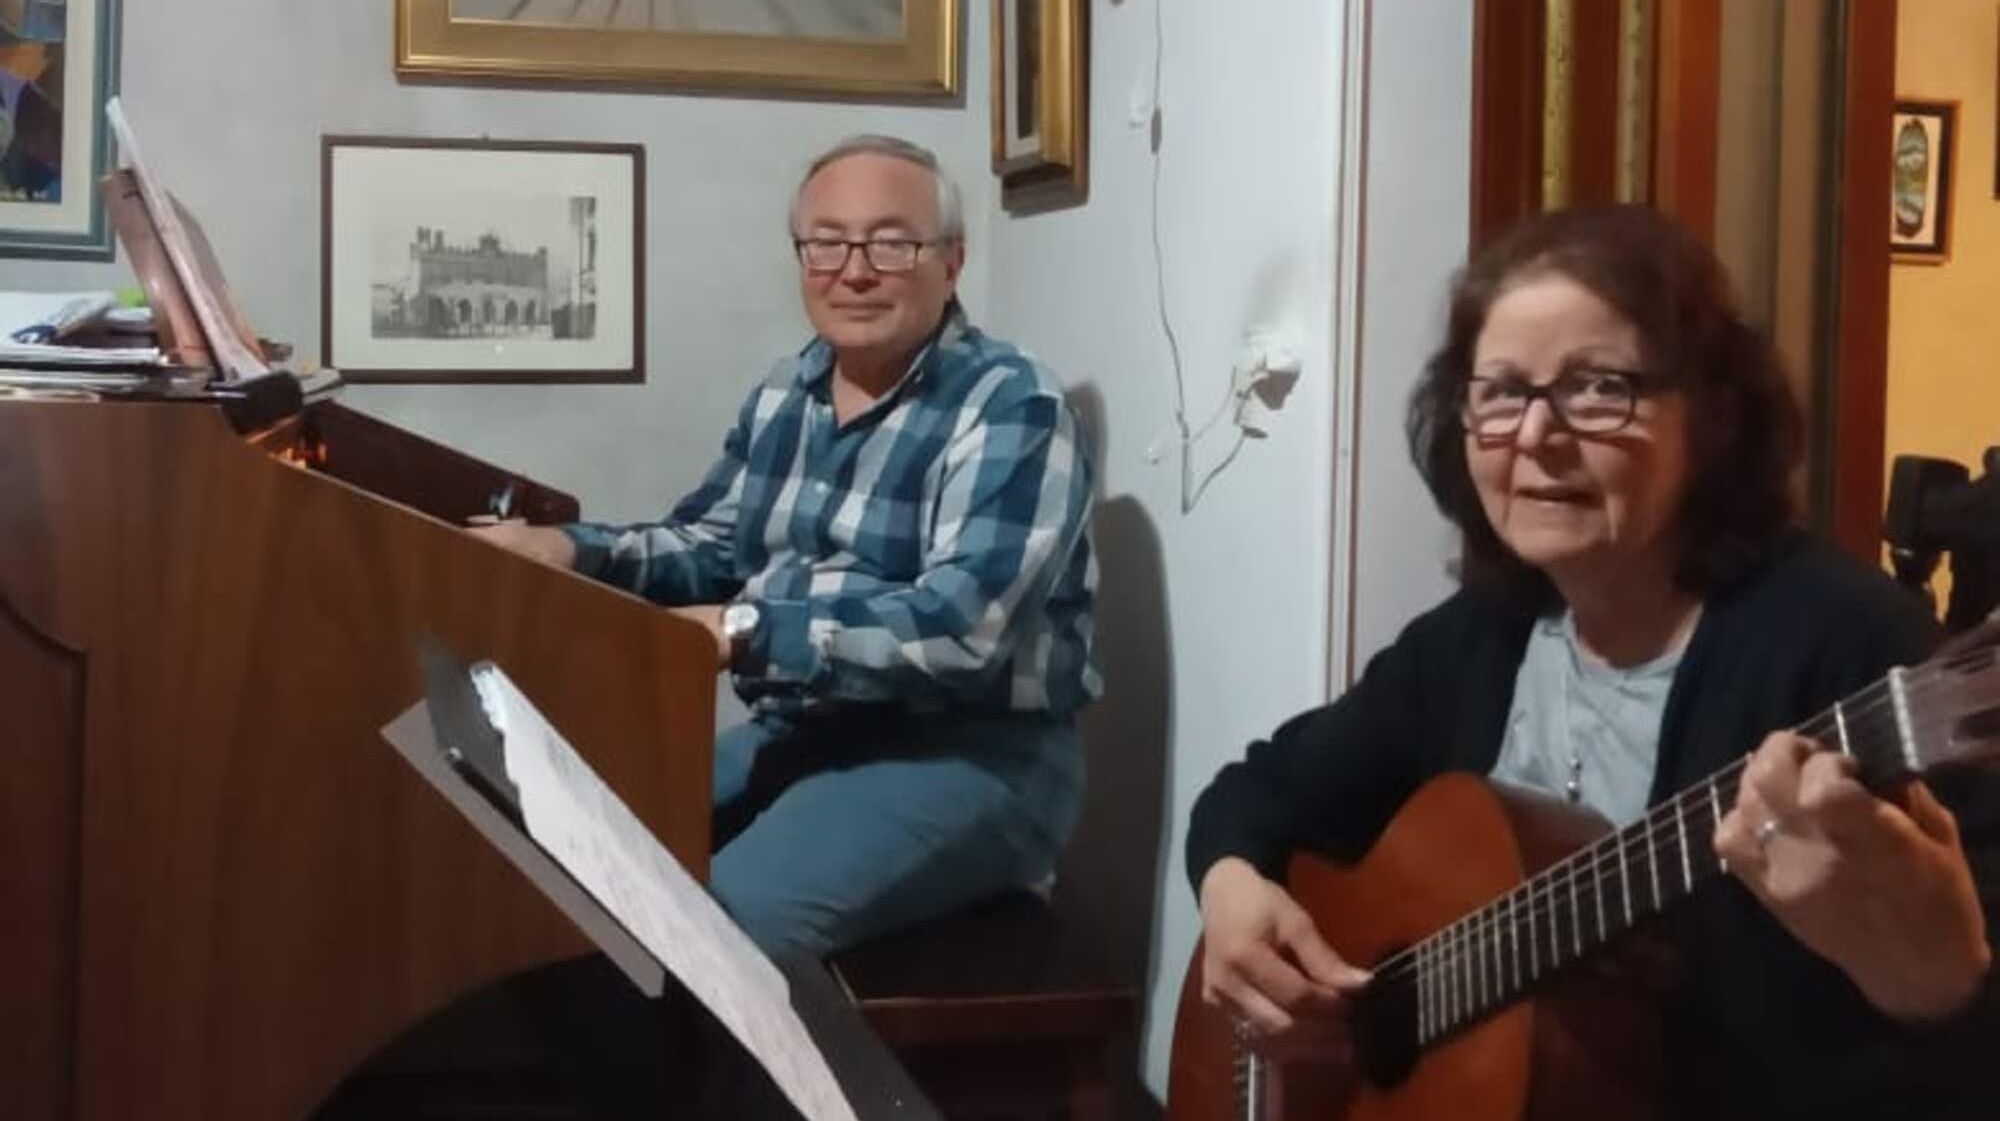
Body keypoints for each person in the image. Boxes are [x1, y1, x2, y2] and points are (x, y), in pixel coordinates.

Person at [1186, 205, 1998, 1117]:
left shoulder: (1841, 644)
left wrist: (1942, 982)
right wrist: (1228, 887)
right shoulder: (1479, 639)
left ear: (1713, 416)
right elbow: (1254, 795)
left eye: (1598, 387)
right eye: (1499, 392)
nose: (1536, 434)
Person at [477, 134, 1099, 957]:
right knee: (580, 849)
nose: (855, 269)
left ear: (951, 260)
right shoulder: (787, 390)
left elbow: (963, 629)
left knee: (721, 932)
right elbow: (711, 544)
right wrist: (571, 548)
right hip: (810, 730)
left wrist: (743, 631)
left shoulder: (1012, 404)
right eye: (828, 242)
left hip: (974, 752)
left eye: (891, 241)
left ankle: (751, 1087)